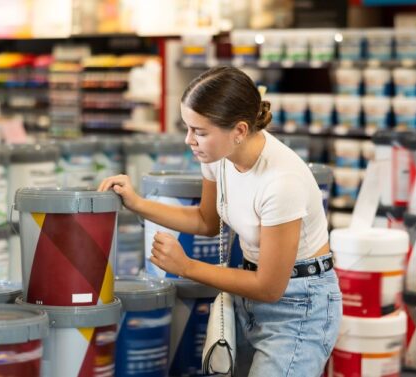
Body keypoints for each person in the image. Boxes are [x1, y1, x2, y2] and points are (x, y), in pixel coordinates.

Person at [98, 66, 341, 376]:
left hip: (300, 307)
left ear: (239, 131)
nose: (189, 140)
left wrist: (186, 267)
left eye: (199, 131)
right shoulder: (219, 157)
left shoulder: (282, 182)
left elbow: (270, 287)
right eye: (187, 127)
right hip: (248, 298)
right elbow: (205, 220)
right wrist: (138, 204)